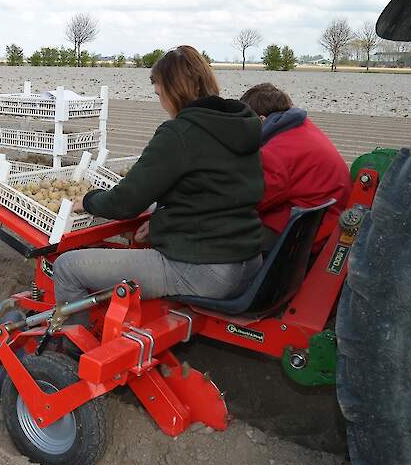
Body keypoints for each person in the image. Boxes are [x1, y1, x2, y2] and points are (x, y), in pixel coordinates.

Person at [53, 45, 264, 317]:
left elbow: (126, 202)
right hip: (248, 263)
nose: (161, 102)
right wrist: (160, 222)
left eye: (159, 93)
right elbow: (210, 196)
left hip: (205, 271)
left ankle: (73, 350)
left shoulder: (181, 133)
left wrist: (89, 200)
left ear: (173, 90)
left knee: (68, 267)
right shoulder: (238, 125)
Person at [239, 83, 351, 254]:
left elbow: (251, 200)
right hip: (327, 216)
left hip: (308, 233)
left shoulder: (277, 152)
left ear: (260, 120)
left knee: (228, 235)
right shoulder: (301, 127)